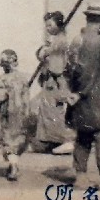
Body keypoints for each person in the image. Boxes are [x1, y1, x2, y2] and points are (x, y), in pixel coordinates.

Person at [65, 4, 100, 186]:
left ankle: (81, 176)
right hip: (94, 97)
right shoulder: (95, 41)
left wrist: (74, 92)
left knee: (83, 137)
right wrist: (81, 93)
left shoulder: (79, 39)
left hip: (84, 96)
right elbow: (87, 72)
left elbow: (72, 70)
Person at [34, 11, 75, 154]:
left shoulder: (60, 41)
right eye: (46, 25)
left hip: (56, 80)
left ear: (58, 25)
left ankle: (63, 141)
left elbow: (56, 66)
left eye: (50, 25)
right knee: (48, 110)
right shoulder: (55, 40)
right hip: (51, 79)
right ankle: (52, 141)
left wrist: (45, 53)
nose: (48, 28)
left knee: (54, 111)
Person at [0, 49, 30, 181]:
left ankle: (13, 166)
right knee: (17, 140)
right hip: (20, 113)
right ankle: (14, 164)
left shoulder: (1, 80)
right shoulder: (22, 78)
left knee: (7, 140)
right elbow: (26, 98)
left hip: (7, 113)